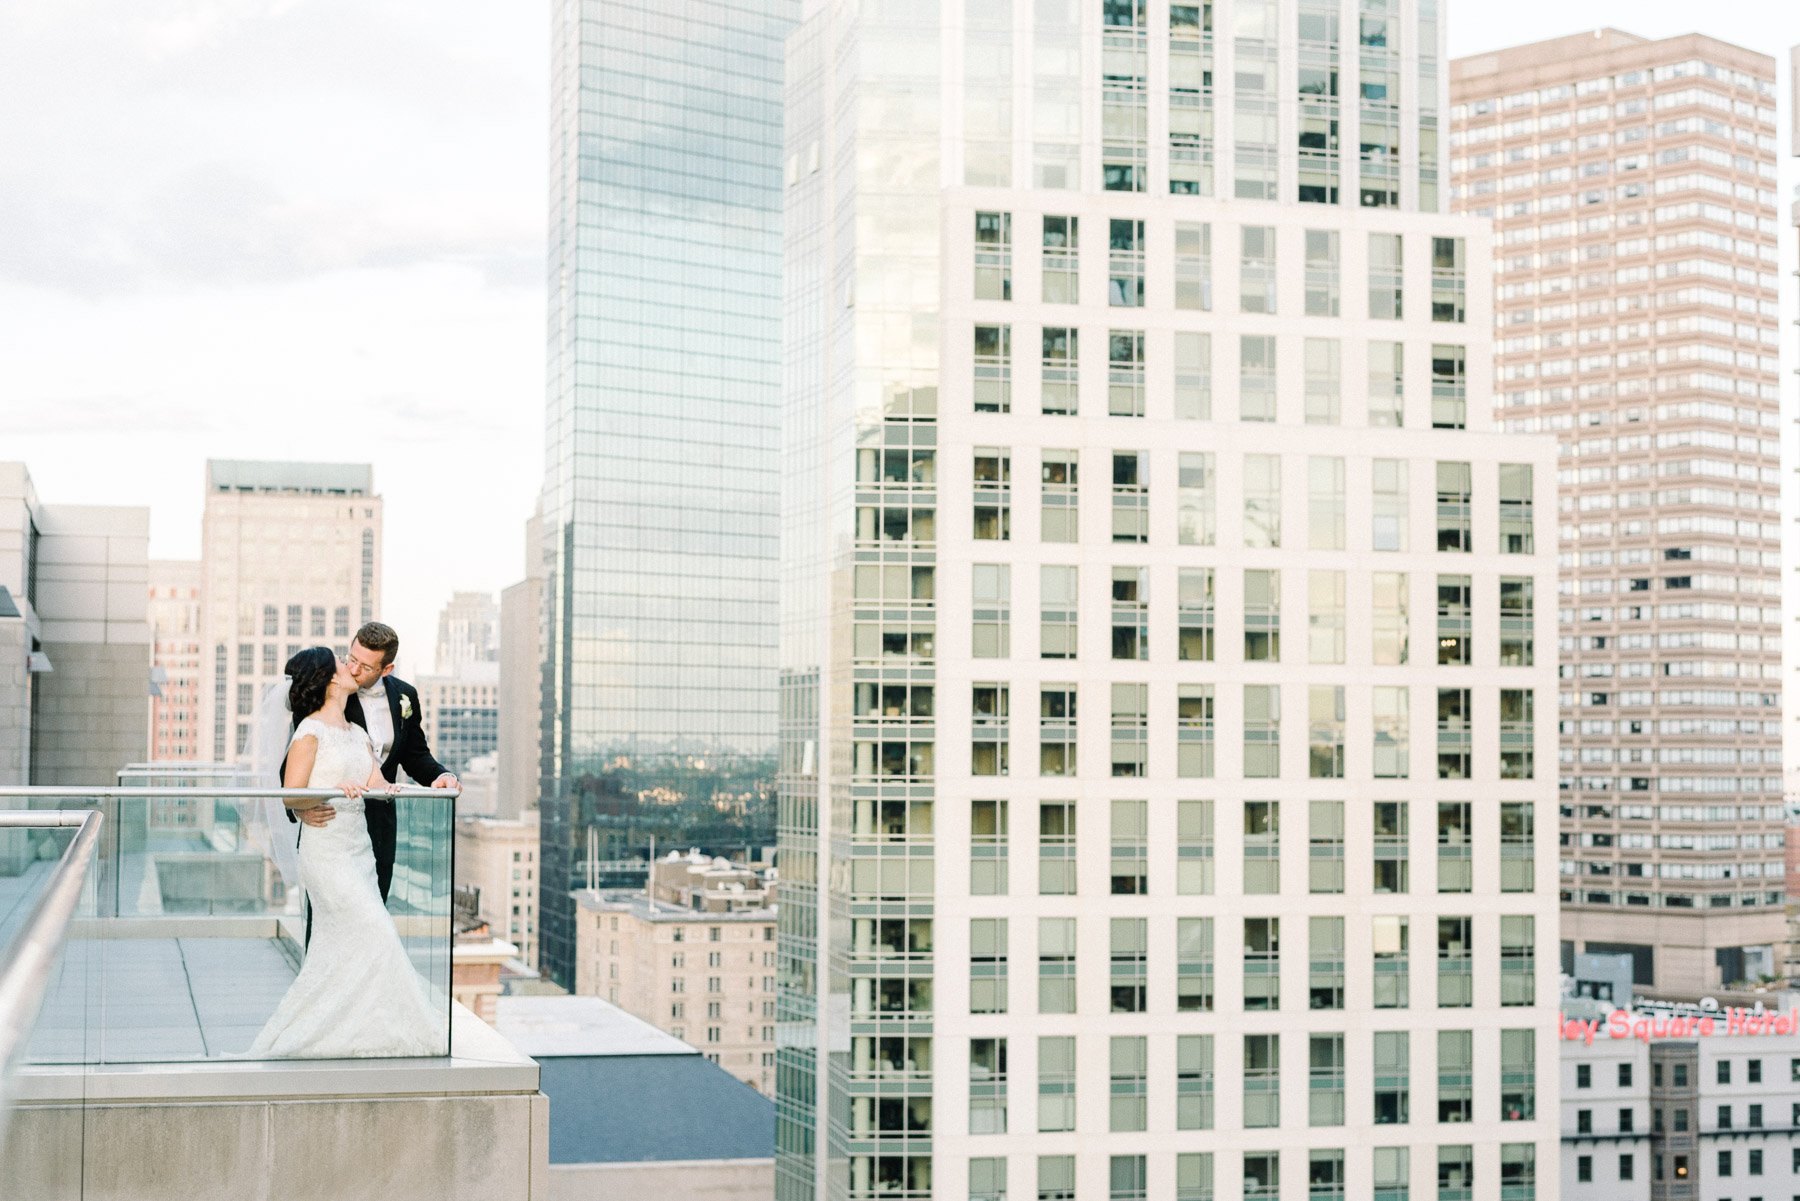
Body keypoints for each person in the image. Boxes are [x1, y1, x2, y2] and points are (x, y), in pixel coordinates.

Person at [248, 647, 445, 1057]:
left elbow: (376, 779)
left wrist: (396, 786)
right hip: (327, 853)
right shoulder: (308, 732)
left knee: (341, 947)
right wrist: (327, 796)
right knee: (378, 931)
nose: (349, 666)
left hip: (360, 853)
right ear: (330, 679)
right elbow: (289, 795)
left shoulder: (358, 734)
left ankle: (354, 1030)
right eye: (342, 662)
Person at [288, 621, 458, 907]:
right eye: (351, 659)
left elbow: (415, 755)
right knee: (328, 917)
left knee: (374, 914)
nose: (353, 670)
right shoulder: (327, 691)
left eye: (365, 667)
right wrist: (298, 806)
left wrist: (441, 776)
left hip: (379, 826)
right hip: (330, 821)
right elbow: (294, 758)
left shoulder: (405, 696)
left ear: (386, 669)